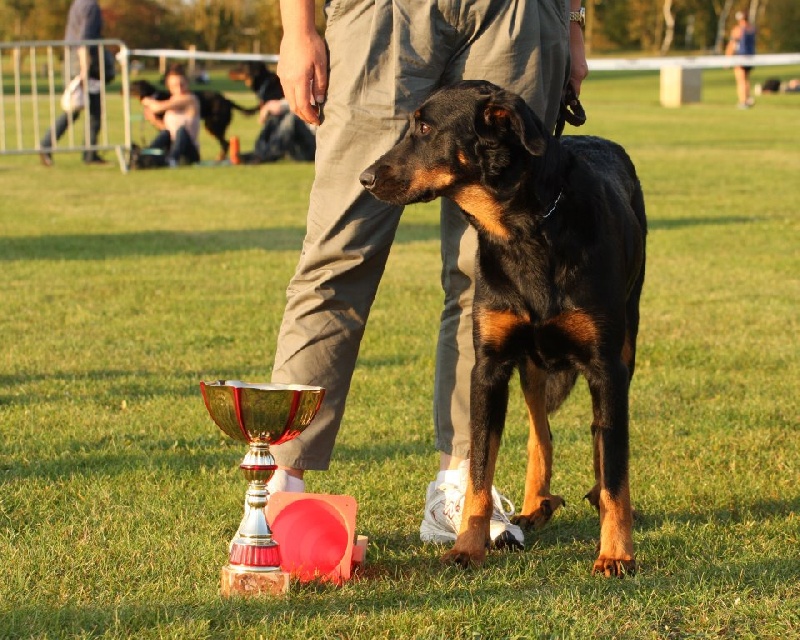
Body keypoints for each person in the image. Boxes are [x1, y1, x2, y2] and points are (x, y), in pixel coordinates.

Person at [266, 0, 588, 548]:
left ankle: (460, 486)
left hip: (521, 14)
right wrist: (297, 28)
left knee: (487, 271)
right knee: (338, 254)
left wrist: (574, 23)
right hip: (385, 14)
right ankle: (281, 485)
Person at [40, 0, 112, 166]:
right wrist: (85, 69)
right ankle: (88, 153)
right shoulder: (91, 7)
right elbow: (85, 38)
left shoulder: (78, 4)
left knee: (75, 108)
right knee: (92, 111)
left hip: (73, 60)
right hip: (85, 62)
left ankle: (48, 144)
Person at [140, 64, 201, 167]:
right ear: (169, 87)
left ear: (187, 83)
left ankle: (172, 160)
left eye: (182, 84)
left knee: (182, 131)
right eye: (174, 86)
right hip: (172, 146)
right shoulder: (172, 101)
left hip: (188, 151)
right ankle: (147, 155)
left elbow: (157, 107)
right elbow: (169, 130)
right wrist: (154, 120)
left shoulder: (190, 99)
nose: (179, 89)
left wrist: (146, 100)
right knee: (165, 133)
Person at [242, 98, 316, 164]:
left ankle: (265, 155)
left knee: (293, 118)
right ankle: (259, 152)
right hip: (300, 147)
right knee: (276, 116)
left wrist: (270, 106)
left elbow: (305, 103)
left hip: (314, 149)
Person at [726, 10, 757, 109]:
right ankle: (748, 99)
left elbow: (732, 45)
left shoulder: (738, 30)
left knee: (740, 80)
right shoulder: (752, 29)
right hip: (751, 57)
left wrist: (727, 59)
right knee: (746, 79)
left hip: (741, 57)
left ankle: (743, 101)